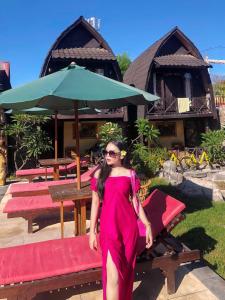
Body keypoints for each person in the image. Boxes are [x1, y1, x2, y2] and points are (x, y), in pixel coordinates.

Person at [89, 140, 153, 300]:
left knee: (123, 272)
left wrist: (147, 224)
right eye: (106, 152)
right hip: (109, 229)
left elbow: (135, 201)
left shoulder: (130, 174)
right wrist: (91, 232)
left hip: (128, 229)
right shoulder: (99, 174)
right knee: (112, 276)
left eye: (112, 153)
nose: (107, 156)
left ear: (121, 155)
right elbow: (95, 203)